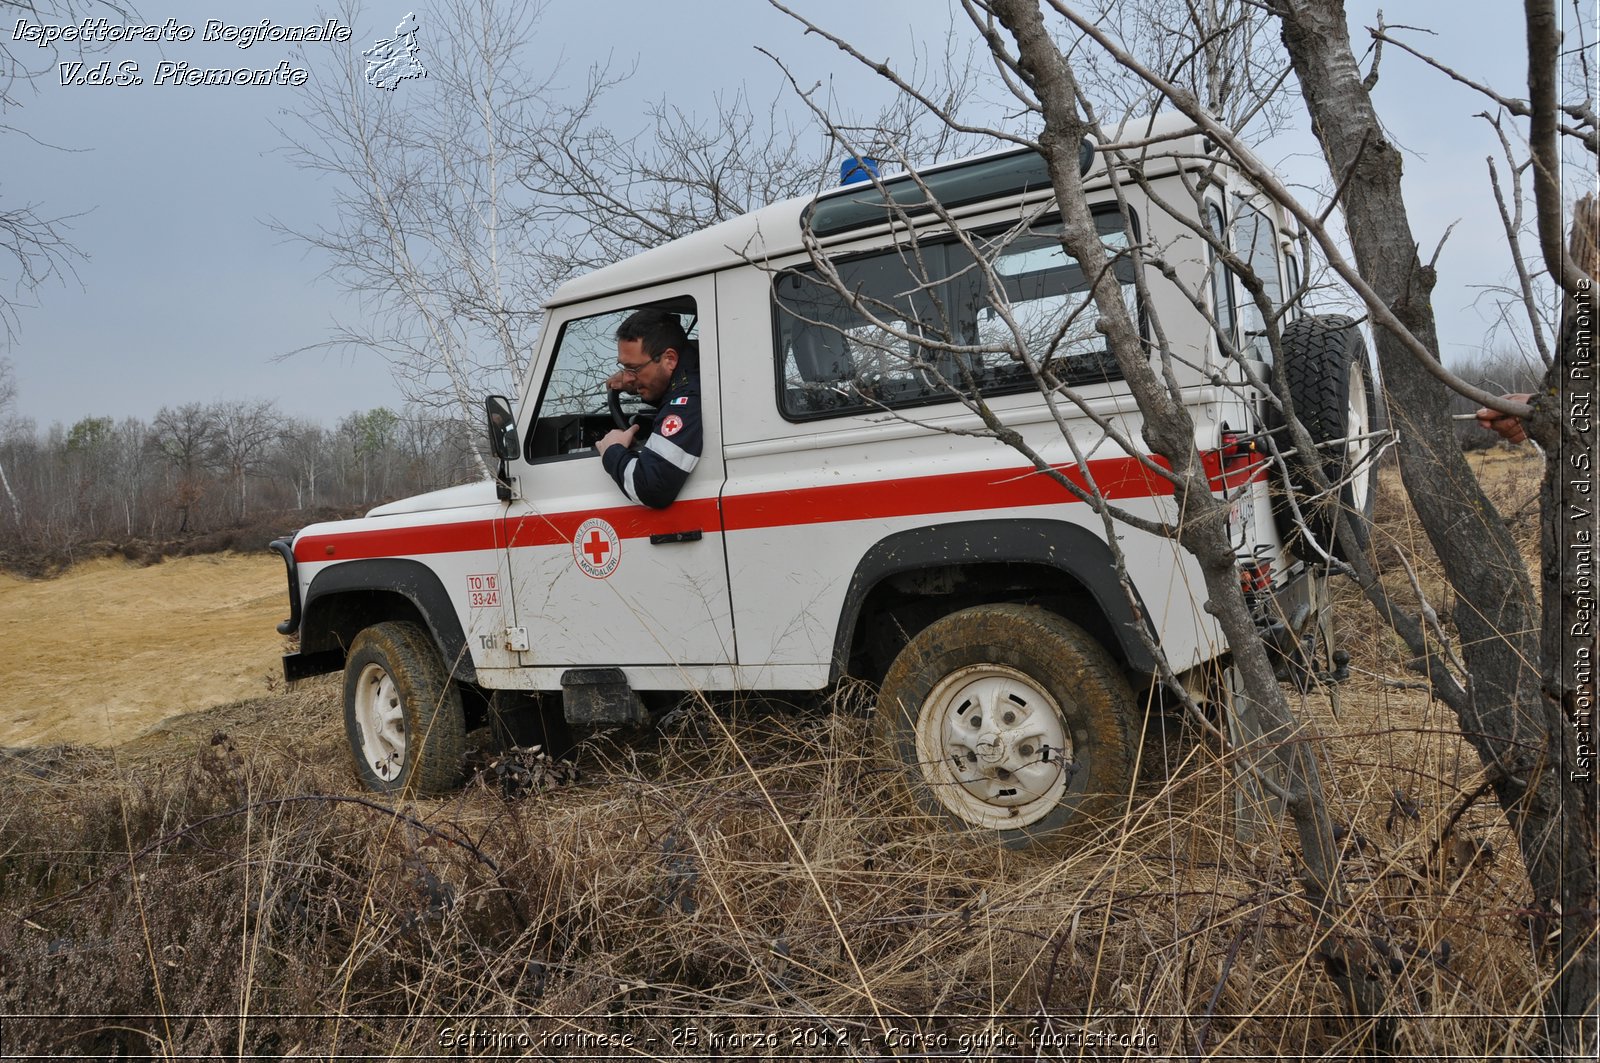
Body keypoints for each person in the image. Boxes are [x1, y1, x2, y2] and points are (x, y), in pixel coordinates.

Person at [594, 308, 701, 508]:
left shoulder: (688, 401)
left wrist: (612, 450)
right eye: (624, 368)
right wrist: (634, 383)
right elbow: (671, 391)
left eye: (633, 368)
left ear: (670, 359)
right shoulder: (692, 370)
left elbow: (650, 487)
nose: (626, 376)